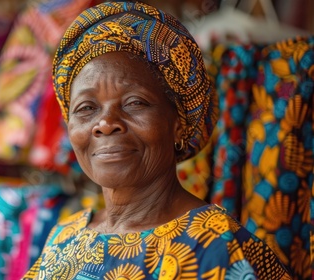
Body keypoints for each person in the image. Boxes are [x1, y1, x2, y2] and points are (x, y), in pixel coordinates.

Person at [22, 1, 292, 279]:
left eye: (134, 103)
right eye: (86, 108)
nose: (105, 124)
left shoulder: (216, 246)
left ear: (178, 124)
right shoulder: (65, 236)